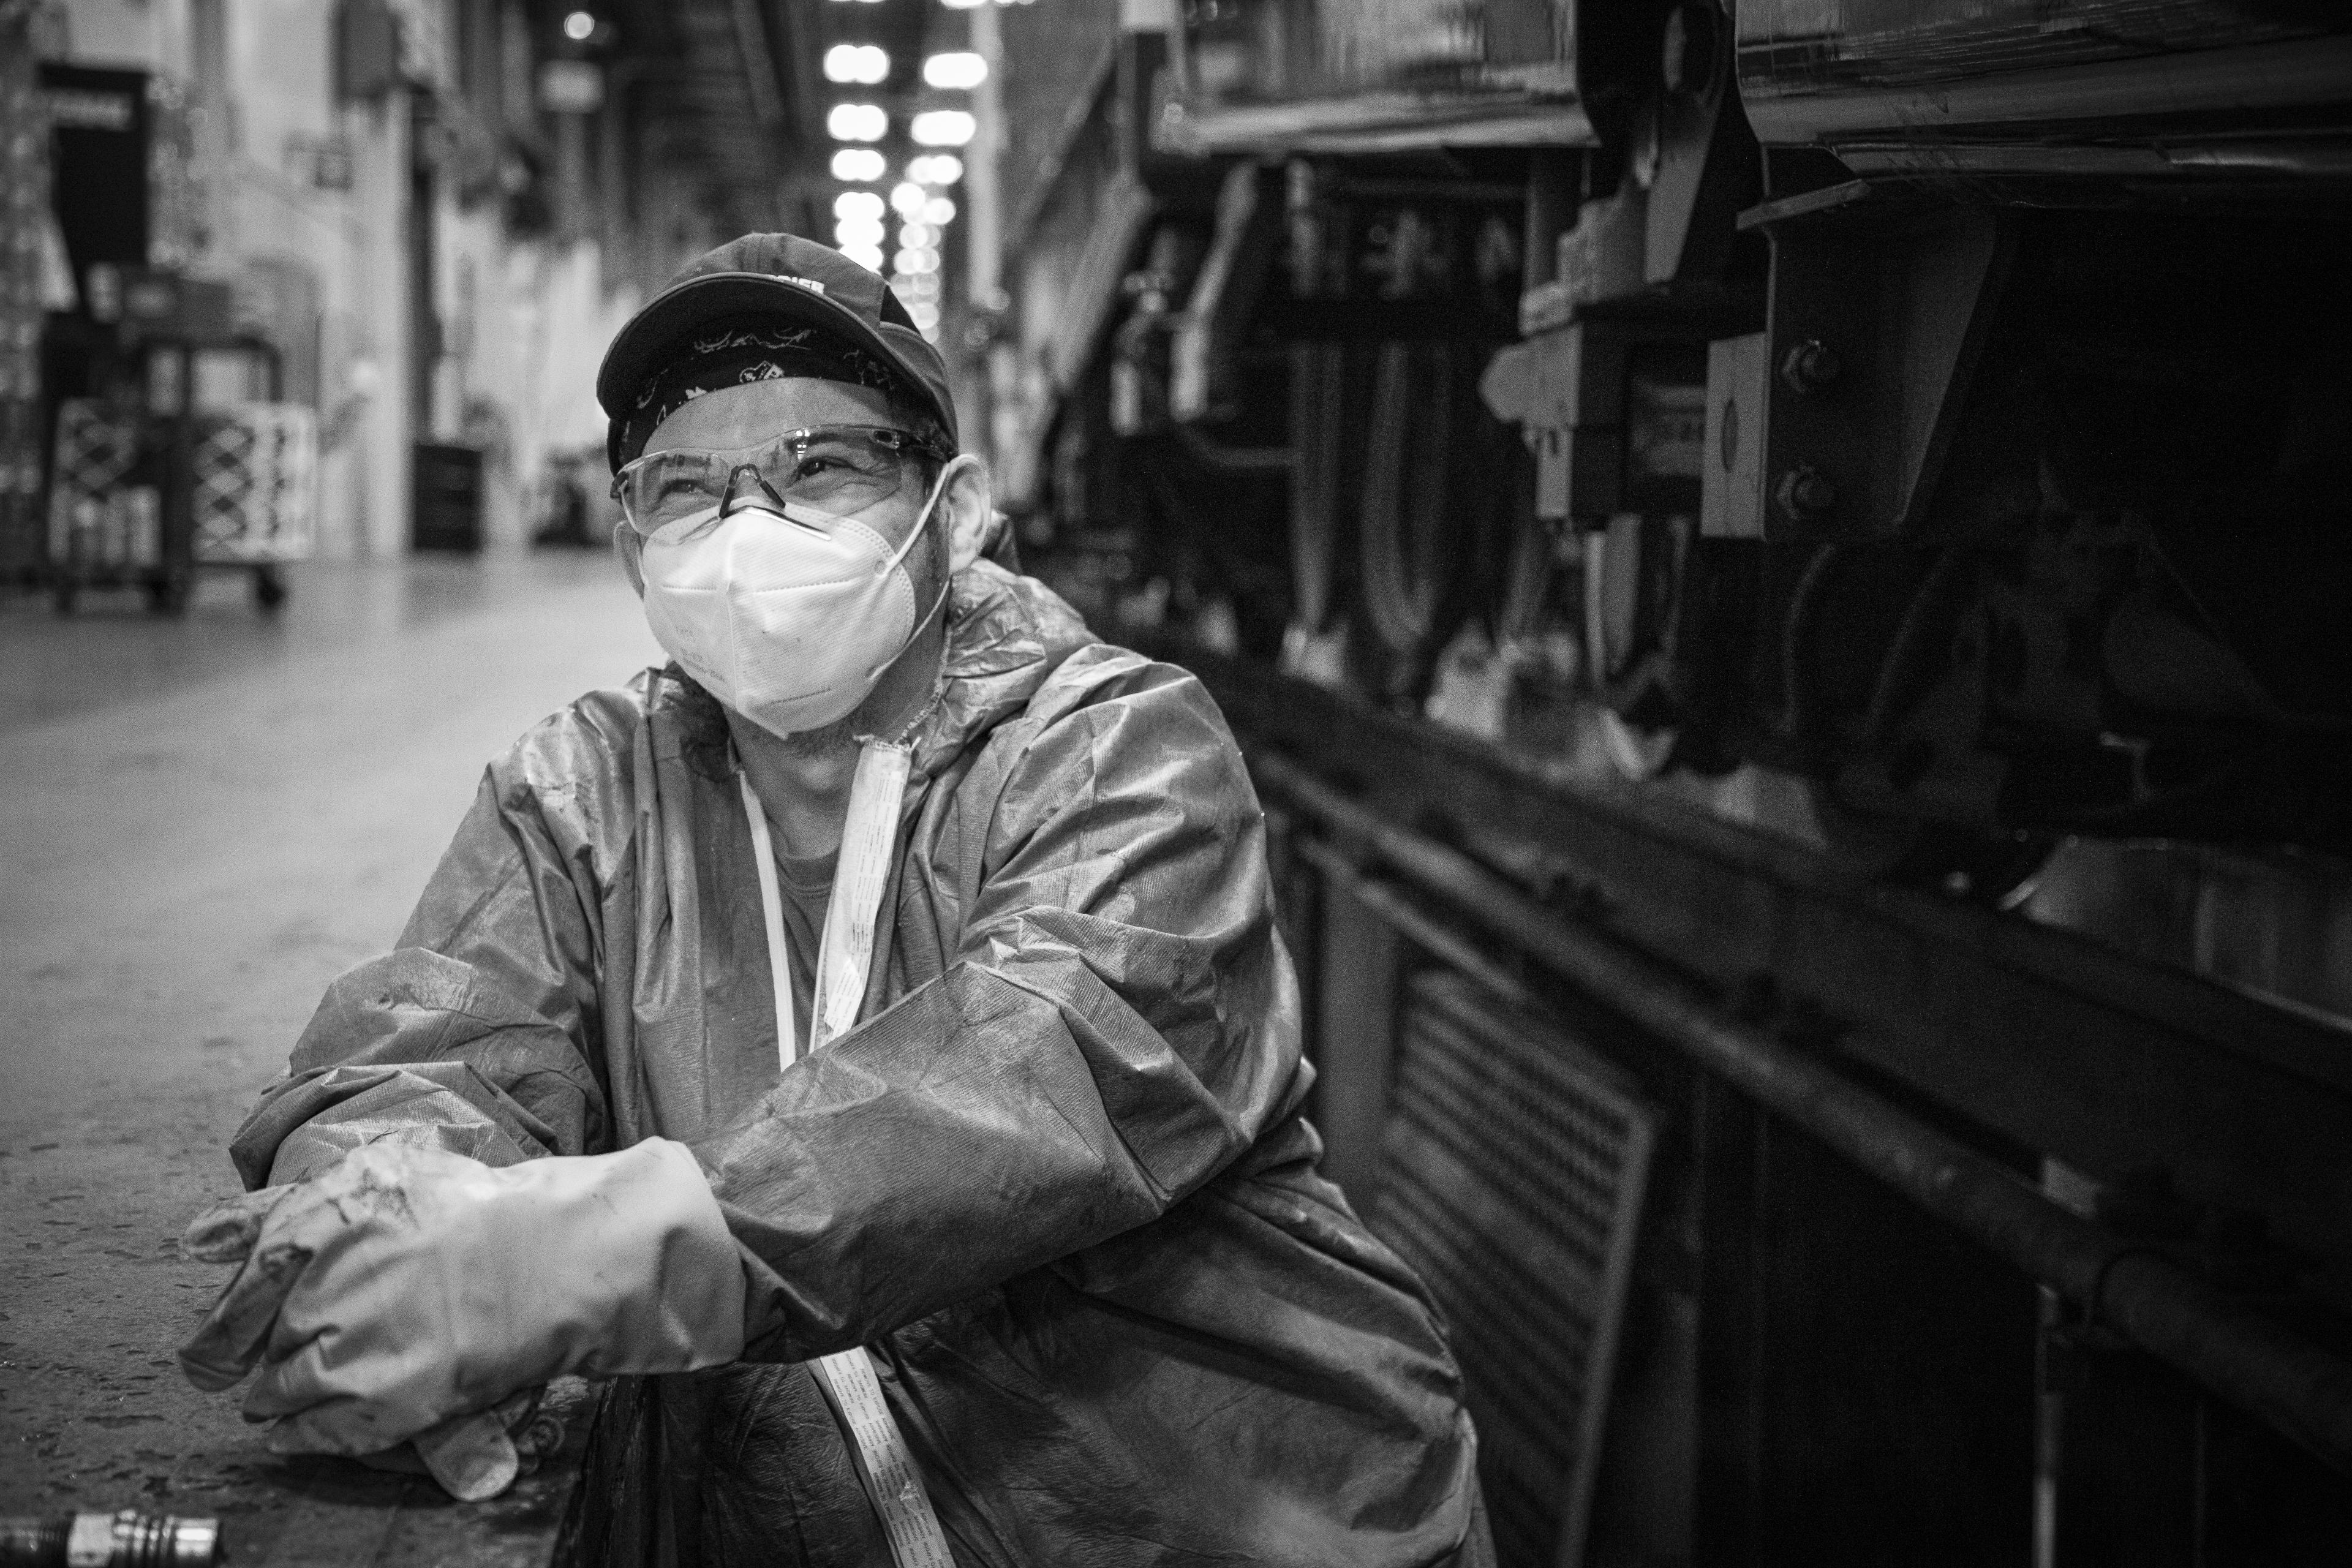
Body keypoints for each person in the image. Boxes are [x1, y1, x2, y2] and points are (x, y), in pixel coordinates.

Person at [176, 235, 1491, 1567]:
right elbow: (433, 1039)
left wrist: (572, 1256)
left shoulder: (1121, 749)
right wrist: (380, 1214)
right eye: (686, 488)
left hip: (1203, 1521)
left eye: (822, 466)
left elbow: (1033, 1078)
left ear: (959, 509)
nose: (750, 528)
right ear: (635, 547)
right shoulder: (584, 795)